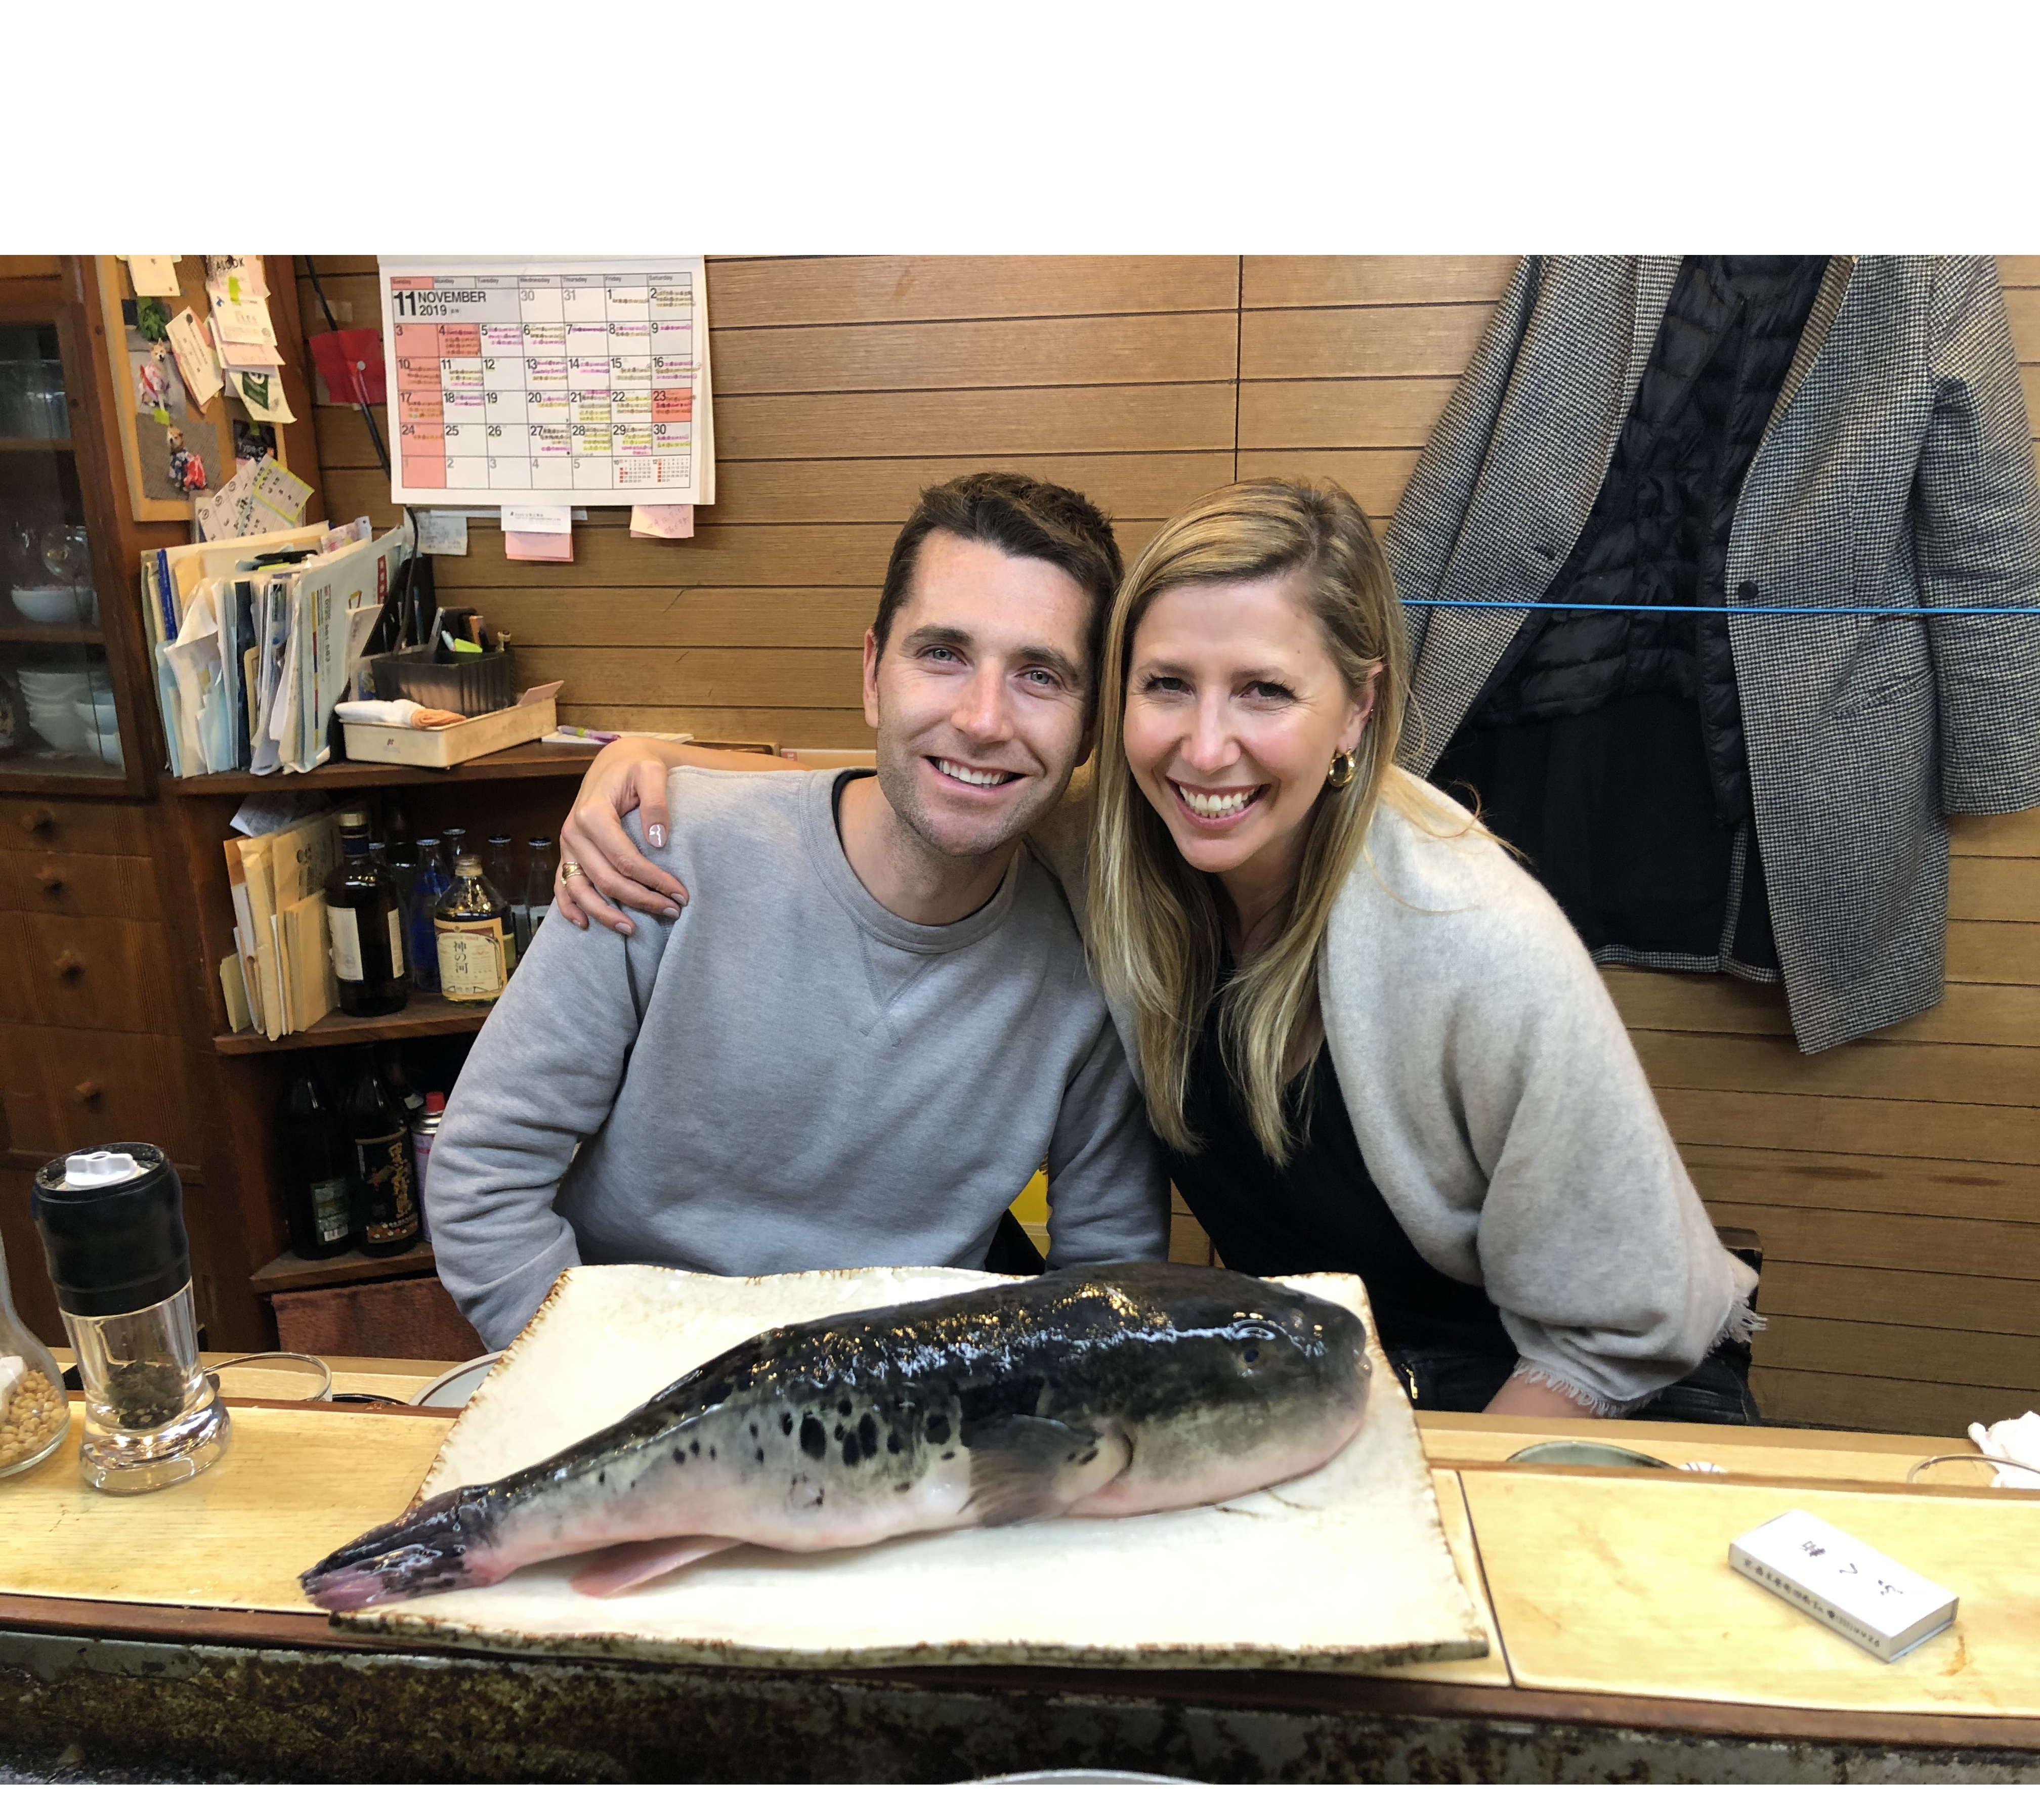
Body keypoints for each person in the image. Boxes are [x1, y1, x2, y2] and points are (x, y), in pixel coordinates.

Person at [557, 479, 1761, 1422]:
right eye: (1167, 685)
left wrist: (1445, 1503)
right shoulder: (1117, 853)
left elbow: (1621, 1330)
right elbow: (940, 774)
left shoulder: (1473, 943)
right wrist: (652, 770)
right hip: (1339, 1366)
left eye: (1264, 694)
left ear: (1356, 710)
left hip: (1573, 1388)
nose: (1205, 747)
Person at [426, 472, 1169, 1353]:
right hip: (628, 1387)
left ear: (1090, 733)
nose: (981, 719)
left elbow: (1109, 1277)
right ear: (872, 676)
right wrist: (610, 1404)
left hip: (895, 1415)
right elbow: (483, 1180)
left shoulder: (1094, 963)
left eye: (1040, 675)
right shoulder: (658, 852)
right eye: (942, 655)